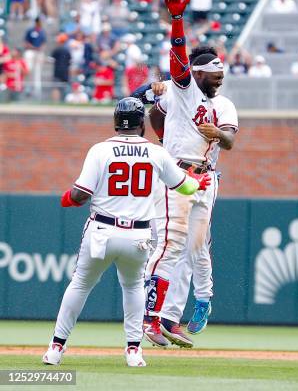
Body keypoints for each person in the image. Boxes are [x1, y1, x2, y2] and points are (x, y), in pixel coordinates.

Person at [41, 97, 212, 367]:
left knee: (80, 285)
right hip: (138, 236)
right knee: (133, 288)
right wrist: (199, 181)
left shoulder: (100, 150)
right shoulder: (156, 153)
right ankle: (134, 351)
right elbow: (185, 187)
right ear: (141, 123)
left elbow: (80, 194)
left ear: (115, 122)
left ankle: (55, 348)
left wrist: (66, 198)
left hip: (102, 230)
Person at [143, 0, 239, 348]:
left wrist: (220, 135)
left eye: (222, 73)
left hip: (206, 173)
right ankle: (152, 318)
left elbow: (228, 141)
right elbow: (175, 60)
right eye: (214, 74)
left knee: (195, 245)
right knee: (171, 244)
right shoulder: (181, 89)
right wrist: (177, 21)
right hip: (177, 174)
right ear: (198, 74)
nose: (219, 79)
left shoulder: (224, 104)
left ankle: (192, 304)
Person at [50, 33, 72, 102]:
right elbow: (70, 61)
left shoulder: (57, 50)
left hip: (57, 71)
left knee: (56, 87)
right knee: (65, 87)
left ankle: (56, 102)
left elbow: (51, 60)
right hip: (65, 71)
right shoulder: (67, 50)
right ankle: (65, 100)